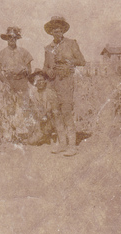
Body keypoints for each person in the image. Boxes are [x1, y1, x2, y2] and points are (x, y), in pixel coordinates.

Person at [43, 16, 86, 156]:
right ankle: (62, 143)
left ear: (63, 31)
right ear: (51, 32)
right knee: (56, 113)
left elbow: (81, 61)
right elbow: (45, 66)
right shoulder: (48, 48)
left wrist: (66, 59)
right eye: (54, 30)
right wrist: (47, 70)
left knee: (66, 112)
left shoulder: (71, 44)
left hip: (66, 82)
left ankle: (72, 146)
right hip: (52, 83)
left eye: (59, 29)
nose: (57, 32)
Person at [0, 27, 33, 117]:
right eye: (10, 37)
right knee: (9, 107)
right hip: (8, 82)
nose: (12, 39)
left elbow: (29, 69)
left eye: (14, 37)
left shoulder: (24, 52)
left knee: (25, 107)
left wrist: (24, 80)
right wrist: (5, 82)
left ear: (17, 38)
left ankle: (25, 129)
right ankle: (11, 129)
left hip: (22, 82)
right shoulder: (1, 54)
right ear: (7, 38)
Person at [26, 69, 65, 146]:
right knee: (31, 142)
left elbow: (54, 107)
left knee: (56, 115)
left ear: (45, 81)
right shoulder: (33, 95)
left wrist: (45, 113)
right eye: (38, 81)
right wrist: (39, 116)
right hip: (42, 121)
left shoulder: (50, 92)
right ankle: (45, 134)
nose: (40, 83)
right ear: (34, 83)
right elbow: (33, 109)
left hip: (52, 118)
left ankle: (60, 137)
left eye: (42, 80)